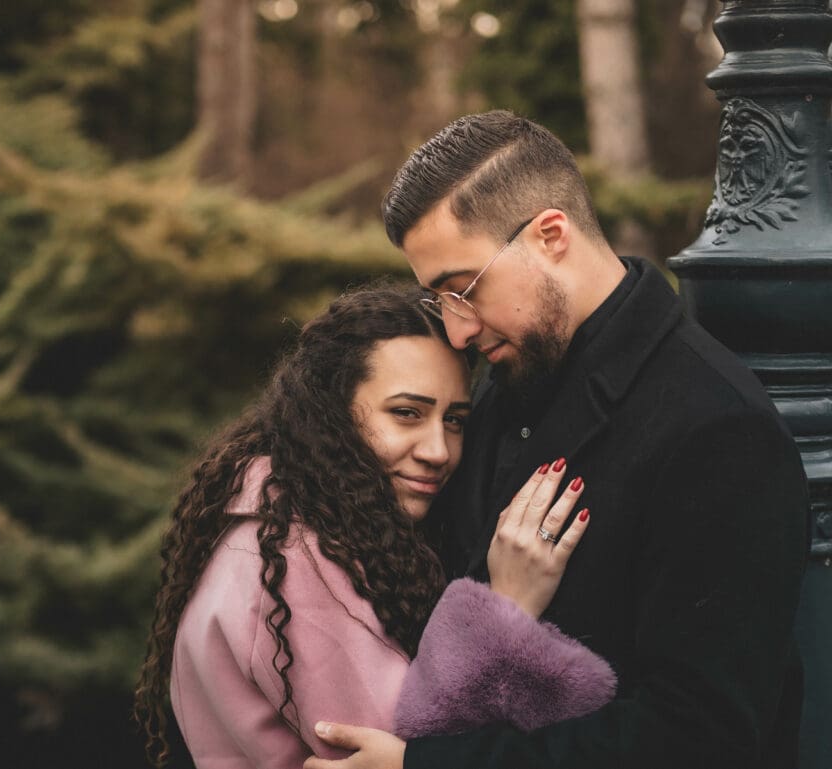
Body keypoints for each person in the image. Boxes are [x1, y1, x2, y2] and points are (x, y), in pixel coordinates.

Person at [306, 111, 810, 769]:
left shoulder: (719, 427)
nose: (457, 332)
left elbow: (697, 737)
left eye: (464, 290)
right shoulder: (501, 377)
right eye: (440, 301)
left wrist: (422, 765)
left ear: (550, 235)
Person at [133, 283, 617, 769]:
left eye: (455, 420)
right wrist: (507, 606)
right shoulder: (295, 558)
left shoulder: (283, 522)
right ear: (330, 413)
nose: (438, 451)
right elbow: (396, 749)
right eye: (406, 413)